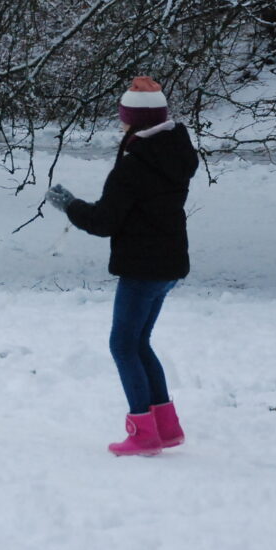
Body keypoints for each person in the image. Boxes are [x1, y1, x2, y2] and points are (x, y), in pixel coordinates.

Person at [46, 76, 198, 456]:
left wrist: (69, 205)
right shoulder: (172, 151)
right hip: (168, 265)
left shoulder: (135, 166)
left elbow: (104, 222)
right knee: (139, 342)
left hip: (143, 268)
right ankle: (165, 426)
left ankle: (144, 432)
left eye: (123, 118)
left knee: (122, 345)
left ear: (136, 121)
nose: (120, 124)